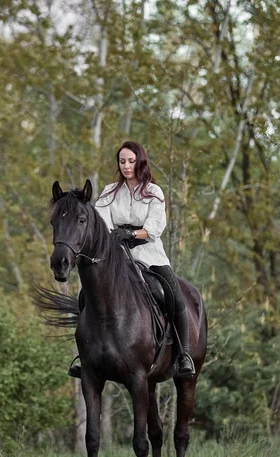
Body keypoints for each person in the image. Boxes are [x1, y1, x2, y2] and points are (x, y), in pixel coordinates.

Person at [68, 141, 195, 379]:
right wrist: (111, 235)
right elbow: (101, 222)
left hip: (148, 253)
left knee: (173, 292)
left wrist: (131, 233)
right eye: (122, 161)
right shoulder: (109, 192)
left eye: (131, 161)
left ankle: (184, 354)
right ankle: (82, 354)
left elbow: (155, 227)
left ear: (140, 162)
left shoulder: (153, 192)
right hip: (117, 257)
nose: (126, 166)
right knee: (86, 294)